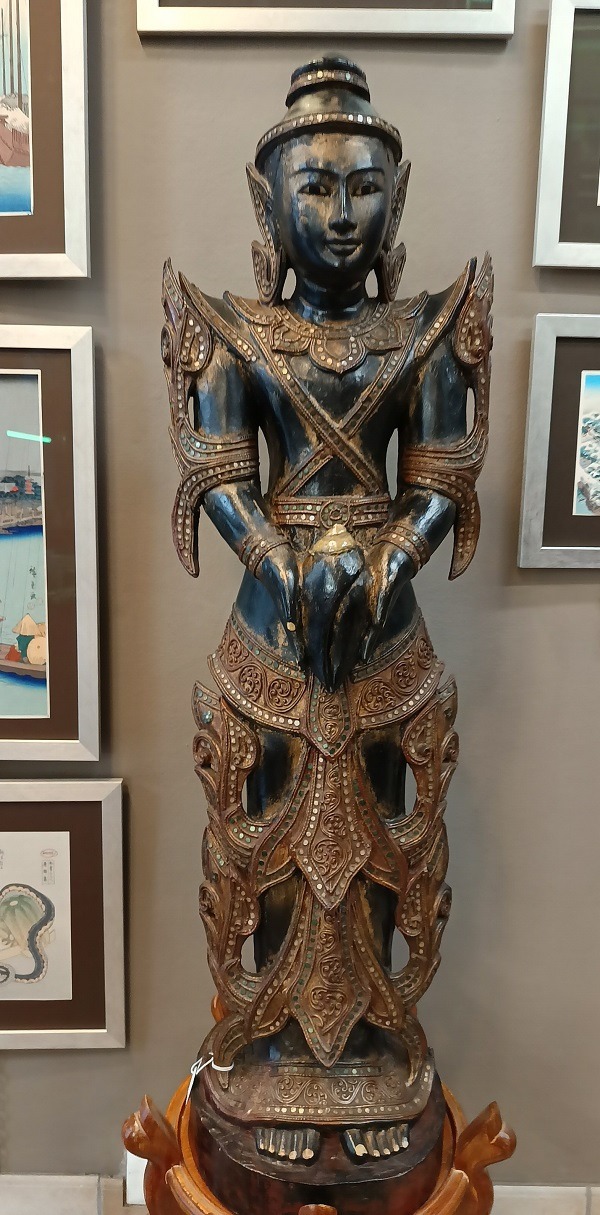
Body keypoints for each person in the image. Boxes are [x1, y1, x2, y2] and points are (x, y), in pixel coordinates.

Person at [162, 56, 492, 1174]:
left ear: (396, 199)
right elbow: (218, 472)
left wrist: (392, 557)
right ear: (269, 204)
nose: (342, 214)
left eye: (363, 188)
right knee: (264, 853)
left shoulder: (424, 333)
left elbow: (440, 474)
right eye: (315, 187)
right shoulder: (234, 332)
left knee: (385, 849)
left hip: (385, 644)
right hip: (271, 636)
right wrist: (280, 559)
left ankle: (369, 1048)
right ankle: (269, 1054)